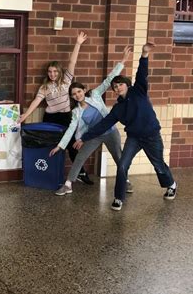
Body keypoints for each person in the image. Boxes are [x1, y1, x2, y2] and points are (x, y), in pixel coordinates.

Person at [76, 43, 177, 211]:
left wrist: (144, 55)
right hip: (134, 139)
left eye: (120, 84)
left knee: (158, 164)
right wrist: (83, 138)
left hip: (152, 136)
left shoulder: (139, 91)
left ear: (126, 84)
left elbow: (142, 74)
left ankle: (171, 184)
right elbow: (102, 125)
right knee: (122, 165)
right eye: (115, 87)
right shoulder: (117, 109)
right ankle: (118, 198)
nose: (117, 87)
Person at [50, 46, 133, 196]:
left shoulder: (95, 95)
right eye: (74, 94)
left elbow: (109, 80)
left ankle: (125, 180)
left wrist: (123, 60)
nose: (77, 95)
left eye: (79, 91)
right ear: (72, 97)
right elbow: (71, 129)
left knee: (118, 157)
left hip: (110, 132)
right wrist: (60, 146)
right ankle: (68, 185)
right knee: (80, 157)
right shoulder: (76, 112)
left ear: (84, 90)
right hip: (93, 135)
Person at [18, 32, 94, 185]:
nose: (52, 74)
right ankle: (48, 172)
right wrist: (25, 115)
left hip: (66, 117)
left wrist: (78, 43)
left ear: (59, 72)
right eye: (50, 71)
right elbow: (36, 101)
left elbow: (72, 62)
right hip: (50, 119)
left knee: (72, 145)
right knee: (50, 146)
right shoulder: (45, 87)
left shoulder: (66, 81)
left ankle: (81, 172)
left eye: (55, 71)